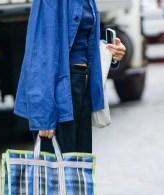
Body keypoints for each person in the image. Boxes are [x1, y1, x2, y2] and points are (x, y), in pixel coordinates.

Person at [14, 0, 126, 153]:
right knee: (58, 171)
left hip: (82, 87)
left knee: (79, 169)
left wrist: (110, 52)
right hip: (61, 91)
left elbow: (81, 42)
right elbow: (40, 52)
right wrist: (44, 116)